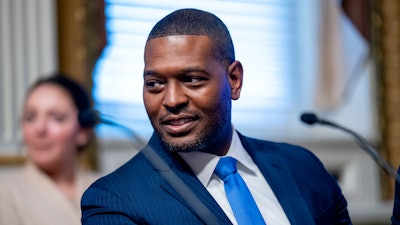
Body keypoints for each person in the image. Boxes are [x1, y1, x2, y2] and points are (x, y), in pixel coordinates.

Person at [81, 8, 352, 225]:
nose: (172, 100)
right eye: (155, 84)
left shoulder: (302, 166)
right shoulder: (114, 201)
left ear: (234, 80)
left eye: (192, 79)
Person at [0, 74, 101, 225]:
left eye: (57, 117)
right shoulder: (5, 192)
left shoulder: (107, 188)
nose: (39, 129)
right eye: (30, 117)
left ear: (83, 131)